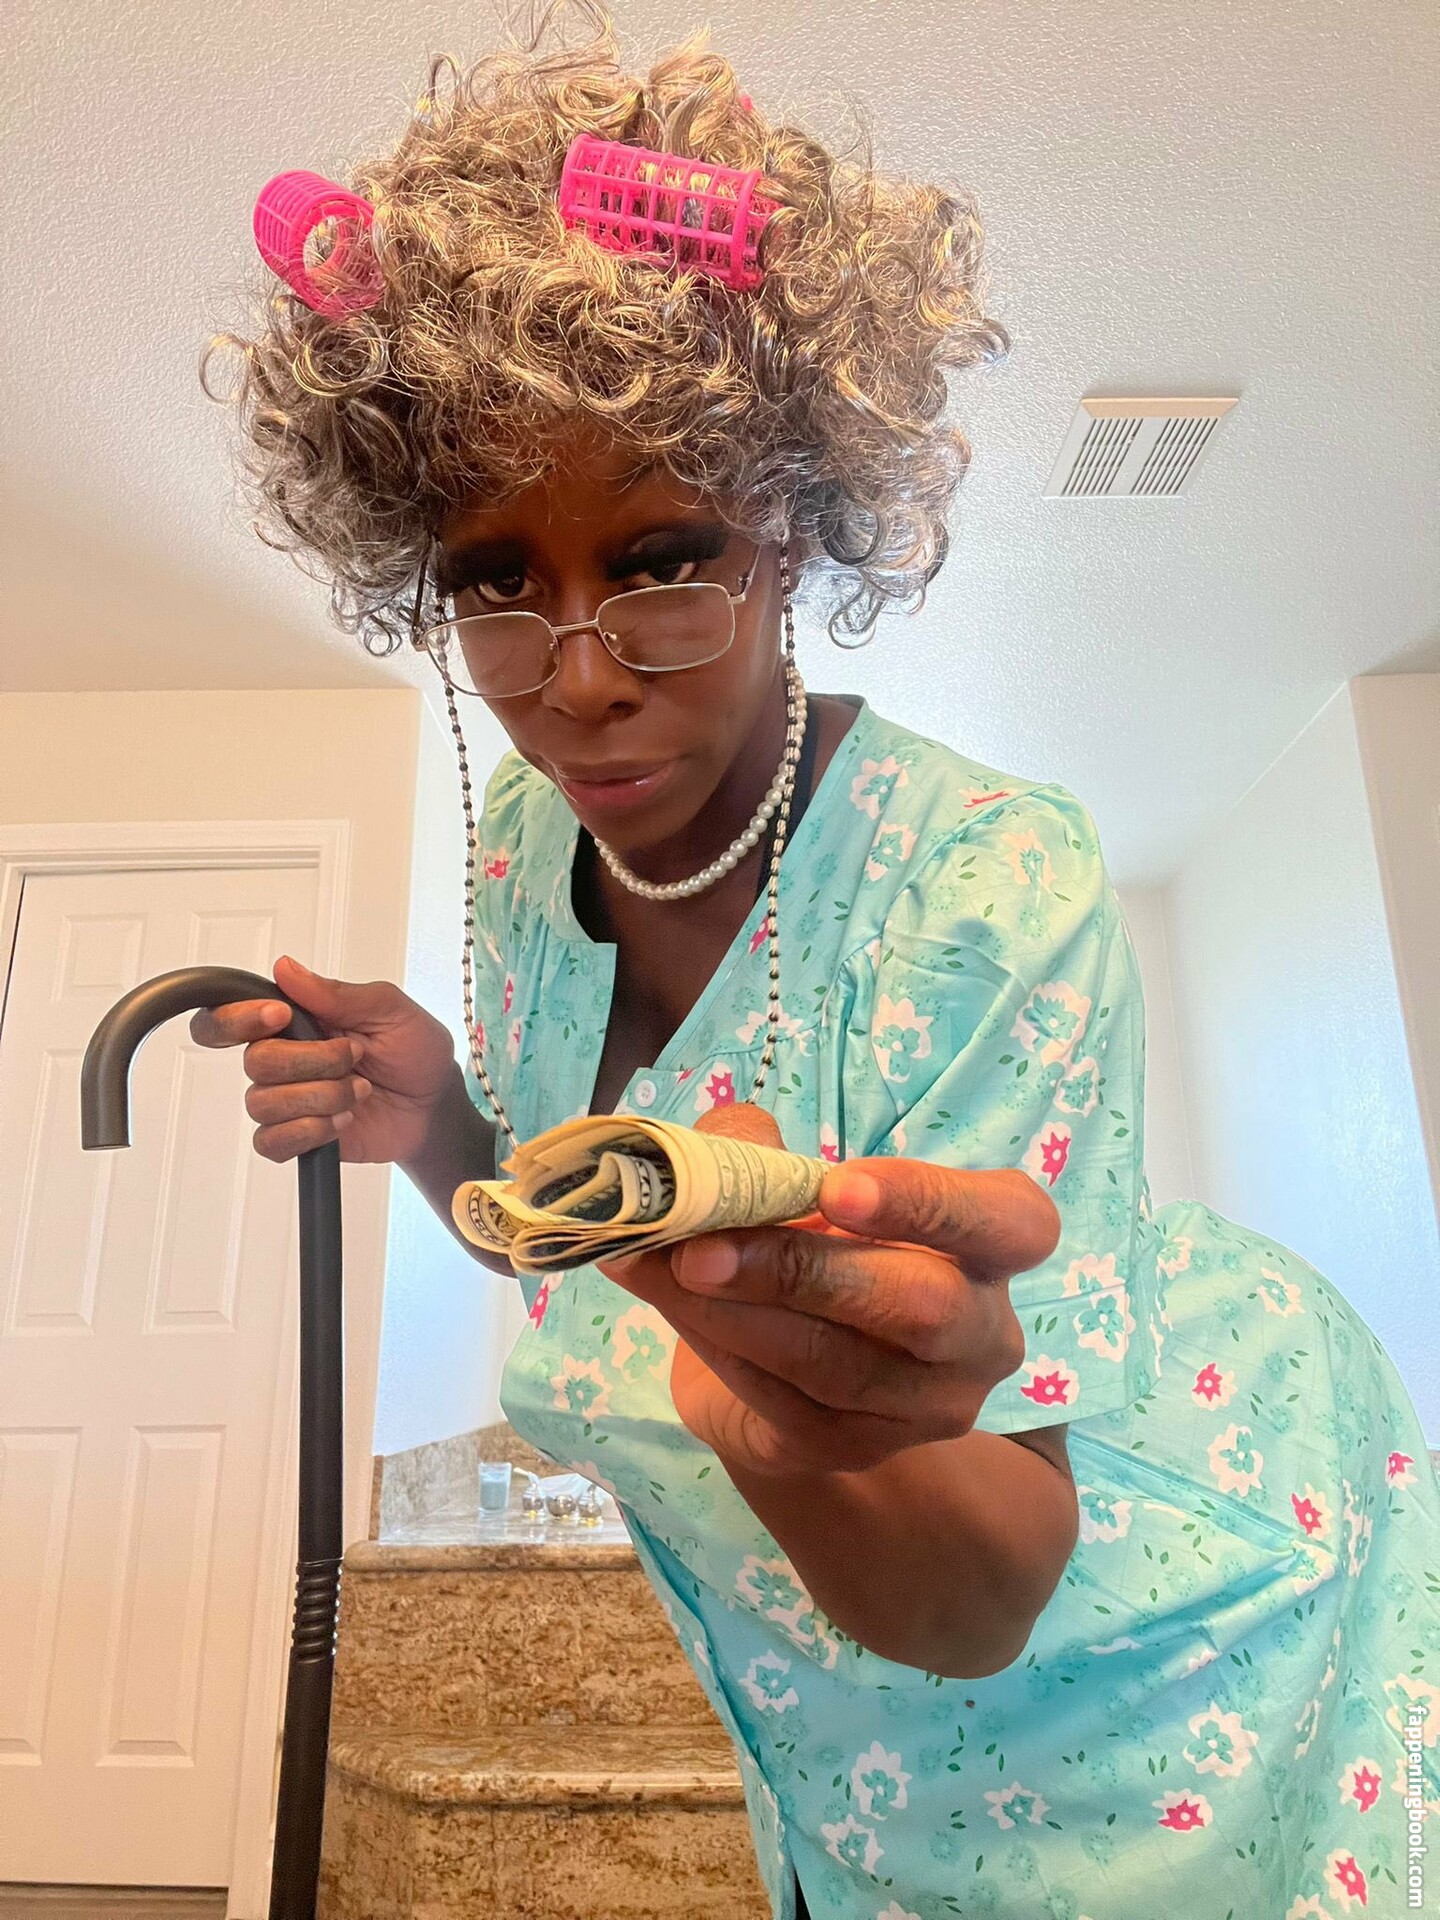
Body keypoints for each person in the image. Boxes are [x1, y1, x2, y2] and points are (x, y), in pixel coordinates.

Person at [198, 11, 1440, 1914]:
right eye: (498, 582)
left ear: (789, 531)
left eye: (662, 557)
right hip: (832, 1745)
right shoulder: (527, 845)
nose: (581, 678)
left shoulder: (991, 884)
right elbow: (590, 1252)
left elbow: (983, 1591)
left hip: (1173, 1655)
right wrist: (444, 1124)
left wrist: (763, 1381)